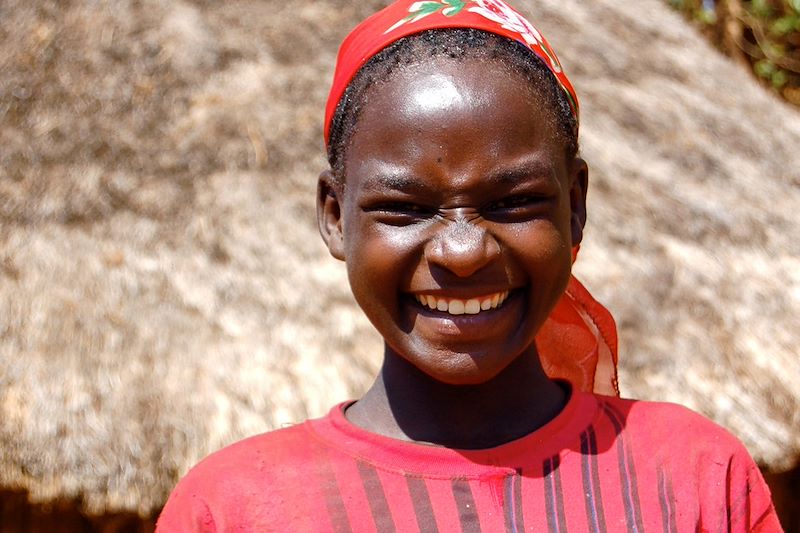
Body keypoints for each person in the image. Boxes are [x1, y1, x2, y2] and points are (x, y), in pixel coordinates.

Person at [156, 0, 783, 531]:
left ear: (576, 207)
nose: (462, 252)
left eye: (512, 203)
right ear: (334, 217)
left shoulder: (694, 478)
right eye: (405, 208)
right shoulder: (232, 509)